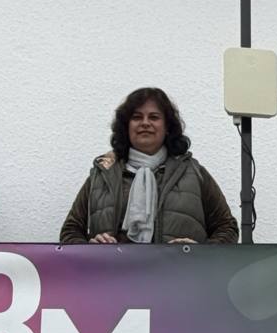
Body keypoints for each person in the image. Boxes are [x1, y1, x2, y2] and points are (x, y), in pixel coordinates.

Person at [59, 88, 238, 245]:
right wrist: (90, 249)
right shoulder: (102, 174)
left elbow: (227, 228)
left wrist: (199, 252)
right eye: (137, 117)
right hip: (113, 272)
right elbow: (70, 231)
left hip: (179, 272)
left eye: (154, 117)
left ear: (167, 127)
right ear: (126, 127)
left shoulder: (193, 173)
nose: (145, 123)